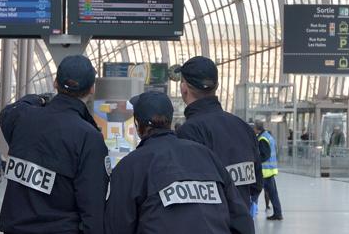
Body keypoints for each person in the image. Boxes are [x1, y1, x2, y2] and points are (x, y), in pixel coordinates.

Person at [105, 92, 253, 234]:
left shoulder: (130, 166)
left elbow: (117, 225)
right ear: (169, 121)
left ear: (138, 125)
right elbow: (241, 218)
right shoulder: (206, 156)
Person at [0, 55, 109, 234]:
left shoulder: (23, 118)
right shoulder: (89, 137)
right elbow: (92, 208)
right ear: (92, 89)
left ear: (55, 83)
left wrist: (40, 99)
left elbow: (8, 112)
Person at [175, 57, 262, 225]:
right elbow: (256, 183)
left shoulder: (189, 131)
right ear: (216, 86)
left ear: (184, 88)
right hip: (241, 224)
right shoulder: (243, 127)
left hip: (209, 225)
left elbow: (188, 191)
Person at [253, 120, 283, 220]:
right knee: (273, 194)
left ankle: (251, 212)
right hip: (270, 171)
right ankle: (278, 213)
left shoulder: (262, 139)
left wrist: (256, 161)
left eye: (254, 128)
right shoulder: (268, 136)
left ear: (257, 128)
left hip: (265, 172)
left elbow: (265, 155)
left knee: (255, 192)